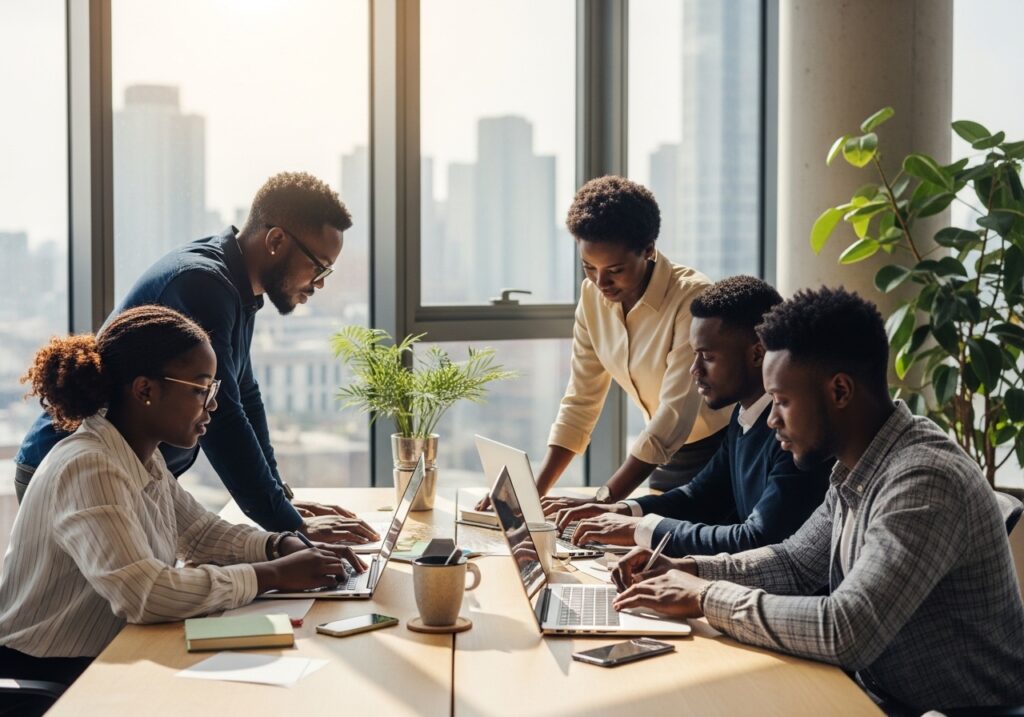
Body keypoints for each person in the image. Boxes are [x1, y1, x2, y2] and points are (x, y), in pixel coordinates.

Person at [611, 287, 1024, 712]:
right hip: (880, 694)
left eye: (783, 401)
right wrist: (690, 568)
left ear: (840, 391)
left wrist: (704, 595)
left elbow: (846, 629)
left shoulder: (922, 480)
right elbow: (794, 563)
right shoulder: (857, 465)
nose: (771, 419)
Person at [0, 305, 366, 692]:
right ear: (145, 390)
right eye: (200, 389)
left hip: (112, 653)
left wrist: (279, 546)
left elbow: (200, 533)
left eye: (213, 389)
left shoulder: (141, 454)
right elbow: (145, 594)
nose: (213, 404)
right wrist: (273, 575)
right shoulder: (90, 466)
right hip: (53, 673)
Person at [14, 171, 378, 544]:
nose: (320, 283)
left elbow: (245, 397)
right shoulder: (203, 286)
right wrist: (289, 524)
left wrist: (283, 505)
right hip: (72, 468)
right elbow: (223, 414)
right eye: (319, 267)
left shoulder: (235, 288)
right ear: (276, 240)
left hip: (115, 472)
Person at [479, 176, 732, 513]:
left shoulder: (691, 298)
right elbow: (581, 400)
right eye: (589, 268)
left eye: (615, 270)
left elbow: (673, 415)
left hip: (718, 459)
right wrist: (530, 496)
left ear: (648, 250)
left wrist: (603, 501)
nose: (601, 283)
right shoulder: (592, 297)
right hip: (660, 462)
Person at [554, 276, 830, 556]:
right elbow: (700, 495)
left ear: (757, 353)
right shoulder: (744, 414)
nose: (694, 369)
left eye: (707, 357)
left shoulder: (795, 433)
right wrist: (622, 510)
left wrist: (639, 530)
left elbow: (759, 539)